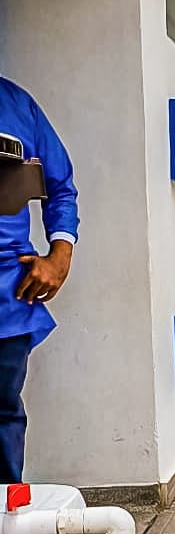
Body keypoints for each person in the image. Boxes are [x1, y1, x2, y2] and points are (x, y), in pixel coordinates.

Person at [0, 78, 79, 485]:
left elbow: (60, 187)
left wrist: (59, 255)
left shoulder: (16, 105)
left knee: (2, 413)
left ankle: (5, 530)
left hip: (7, 297)